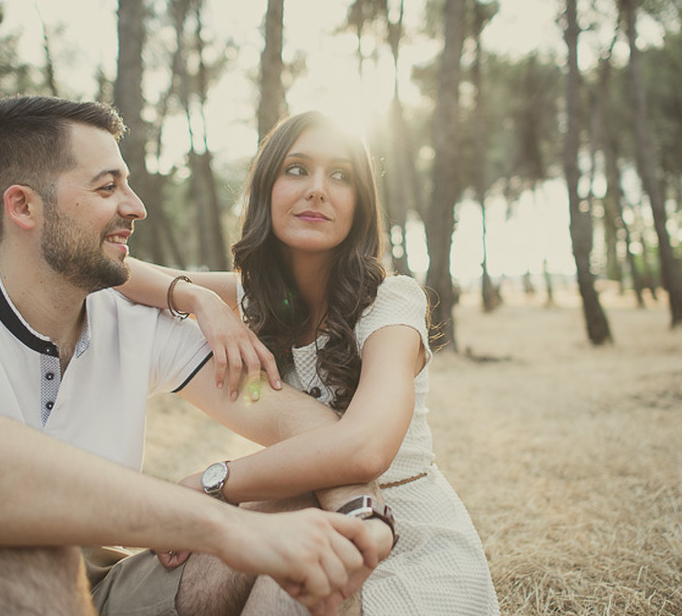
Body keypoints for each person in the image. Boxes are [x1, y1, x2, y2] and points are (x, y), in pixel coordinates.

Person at [0, 96, 395, 616]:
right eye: (108, 186)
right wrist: (223, 526)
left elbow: (306, 428)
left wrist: (357, 516)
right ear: (23, 206)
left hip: (102, 594)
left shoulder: (138, 326)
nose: (136, 207)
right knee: (13, 521)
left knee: (301, 509)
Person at [119, 111, 500, 615]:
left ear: (359, 205)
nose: (318, 189)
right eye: (297, 169)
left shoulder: (390, 304)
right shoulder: (258, 298)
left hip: (406, 539)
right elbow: (116, 272)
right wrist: (199, 301)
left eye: (340, 176)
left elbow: (363, 450)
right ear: (266, 190)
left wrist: (210, 483)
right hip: (304, 518)